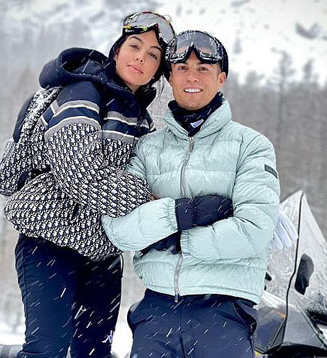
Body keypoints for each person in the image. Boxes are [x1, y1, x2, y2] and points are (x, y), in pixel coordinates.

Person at [0, 11, 176, 358]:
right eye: (134, 46)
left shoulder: (142, 120)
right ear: (117, 50)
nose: (141, 57)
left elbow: (160, 178)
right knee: (46, 351)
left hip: (102, 258)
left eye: (153, 54)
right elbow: (80, 172)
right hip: (50, 245)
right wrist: (147, 199)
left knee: (93, 353)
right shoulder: (82, 91)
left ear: (158, 71)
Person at [102, 30, 282, 358]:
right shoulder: (147, 149)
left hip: (224, 312)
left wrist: (175, 242)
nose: (192, 77)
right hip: (156, 311)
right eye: (182, 68)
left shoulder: (250, 146)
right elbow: (119, 230)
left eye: (203, 69)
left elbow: (253, 231)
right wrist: (182, 214)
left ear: (221, 78)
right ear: (169, 77)